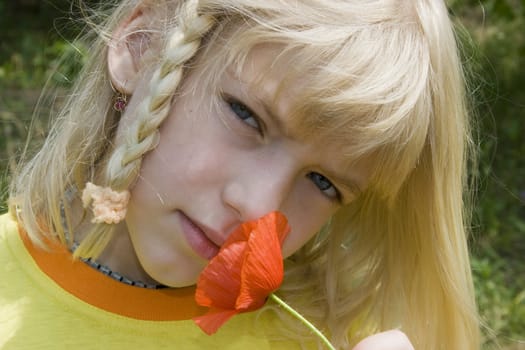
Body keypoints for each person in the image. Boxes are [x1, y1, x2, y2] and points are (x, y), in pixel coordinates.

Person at [1, 0, 480, 349]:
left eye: (324, 183)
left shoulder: (311, 340)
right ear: (141, 46)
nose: (259, 208)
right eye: (246, 115)